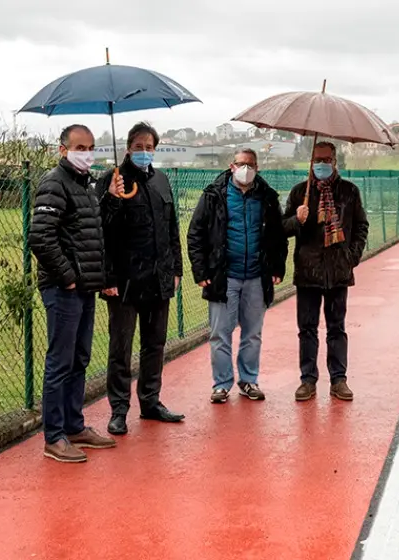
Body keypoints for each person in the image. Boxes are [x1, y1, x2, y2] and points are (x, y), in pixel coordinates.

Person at [29, 124, 117, 463]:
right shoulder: (54, 183)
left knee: (79, 358)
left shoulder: (87, 186)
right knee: (60, 361)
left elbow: (92, 234)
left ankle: (74, 424)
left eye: (91, 146)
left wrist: (109, 196)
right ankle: (54, 436)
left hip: (85, 288)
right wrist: (66, 277)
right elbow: (41, 237)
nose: (87, 153)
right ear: (63, 149)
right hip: (63, 289)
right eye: (80, 147)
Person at [95, 122, 185, 435]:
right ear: (128, 147)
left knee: (154, 344)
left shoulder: (161, 180)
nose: (144, 151)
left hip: (158, 278)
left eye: (149, 146)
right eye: (138, 146)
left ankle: (150, 401)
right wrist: (111, 198)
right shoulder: (112, 179)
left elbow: (172, 227)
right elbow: (100, 229)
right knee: (121, 347)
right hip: (123, 281)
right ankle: (118, 409)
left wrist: (176, 269)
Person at [187, 148, 287, 403]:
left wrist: (277, 267)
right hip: (224, 277)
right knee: (220, 333)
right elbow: (196, 234)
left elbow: (277, 236)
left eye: (250, 164)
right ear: (232, 166)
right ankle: (221, 384)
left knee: (252, 333)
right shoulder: (213, 196)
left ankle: (248, 380)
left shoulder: (266, 197)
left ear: (257, 168)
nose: (246, 169)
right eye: (241, 164)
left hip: (256, 276)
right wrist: (200, 271)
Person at [283, 141, 369, 402]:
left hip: (338, 271)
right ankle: (308, 380)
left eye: (327, 160)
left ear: (335, 162)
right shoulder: (300, 193)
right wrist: (297, 220)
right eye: (317, 160)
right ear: (311, 163)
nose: (322, 164)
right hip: (308, 272)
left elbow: (361, 226)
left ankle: (338, 379)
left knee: (336, 328)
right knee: (307, 328)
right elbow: (281, 228)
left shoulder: (349, 191)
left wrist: (351, 257)